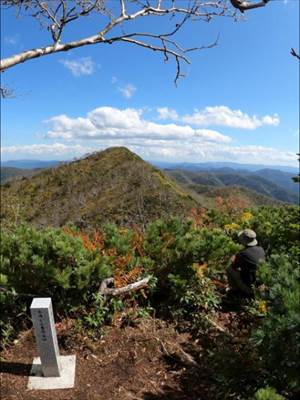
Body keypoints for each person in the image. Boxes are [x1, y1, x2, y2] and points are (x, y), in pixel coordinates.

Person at [227, 229, 265, 297]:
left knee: (229, 269)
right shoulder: (261, 249)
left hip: (250, 288)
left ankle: (235, 291)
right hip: (261, 286)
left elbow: (234, 266)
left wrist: (233, 257)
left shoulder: (243, 254)